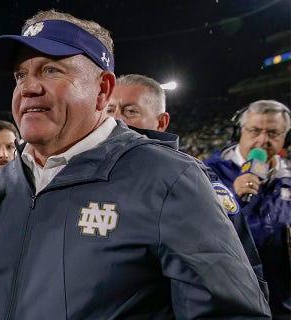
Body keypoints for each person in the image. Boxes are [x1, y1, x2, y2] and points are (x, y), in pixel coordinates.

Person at [0, 9, 271, 319]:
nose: (28, 87)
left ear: (103, 90)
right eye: (20, 75)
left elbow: (231, 313)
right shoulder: (1, 185)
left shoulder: (170, 179)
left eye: (51, 70)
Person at [109, 73, 269, 299]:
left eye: (130, 111)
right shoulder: (87, 172)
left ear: (161, 122)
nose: (117, 120)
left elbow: (238, 276)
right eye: (110, 110)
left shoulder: (191, 178)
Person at [205, 99, 291, 319]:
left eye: (273, 133)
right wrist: (232, 197)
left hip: (281, 303)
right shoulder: (206, 172)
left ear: (286, 138)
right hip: (229, 301)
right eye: (255, 130)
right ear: (239, 132)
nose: (263, 140)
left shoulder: (288, 178)